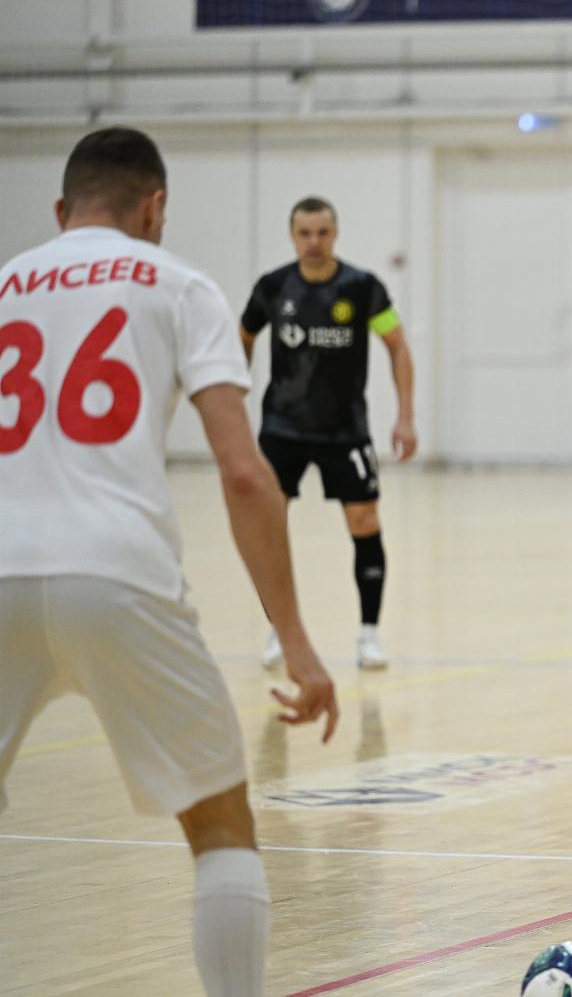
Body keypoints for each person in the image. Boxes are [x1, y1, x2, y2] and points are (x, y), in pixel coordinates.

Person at [0, 126, 338, 997]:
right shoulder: (178, 283)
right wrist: (296, 643)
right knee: (220, 826)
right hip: (119, 574)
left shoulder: (5, 285)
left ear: (60, 208)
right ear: (155, 208)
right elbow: (244, 473)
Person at [240, 196, 417, 670]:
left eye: (322, 233)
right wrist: (232, 403)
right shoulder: (273, 287)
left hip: (345, 429)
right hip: (283, 428)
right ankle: (280, 630)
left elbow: (397, 346)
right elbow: (243, 337)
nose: (314, 242)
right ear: (292, 236)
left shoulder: (362, 288)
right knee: (269, 525)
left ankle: (369, 635)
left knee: (365, 522)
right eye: (305, 233)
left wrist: (405, 417)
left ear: (335, 234)